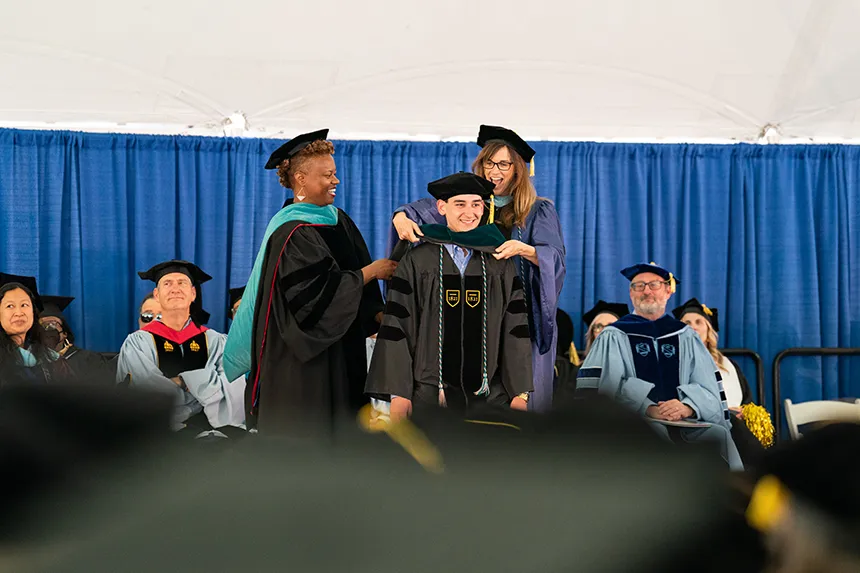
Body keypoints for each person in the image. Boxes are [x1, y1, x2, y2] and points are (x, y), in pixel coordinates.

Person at [224, 129, 395, 436]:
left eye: (335, 173)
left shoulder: (338, 219)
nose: (336, 180)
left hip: (343, 349)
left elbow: (356, 277)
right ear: (301, 178)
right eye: (327, 175)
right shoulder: (292, 230)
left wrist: (376, 313)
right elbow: (312, 298)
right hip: (303, 359)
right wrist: (371, 272)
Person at [391, 125, 565, 412]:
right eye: (489, 163)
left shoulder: (536, 210)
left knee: (518, 397)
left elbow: (555, 258)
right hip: (472, 315)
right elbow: (422, 209)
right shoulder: (472, 201)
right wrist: (400, 216)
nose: (495, 171)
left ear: (518, 169)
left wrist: (524, 249)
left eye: (504, 164)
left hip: (519, 318)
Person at [366, 172, 533, 422]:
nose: (470, 212)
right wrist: (399, 393)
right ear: (442, 207)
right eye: (460, 204)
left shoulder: (499, 262)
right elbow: (398, 327)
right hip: (429, 394)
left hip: (489, 395)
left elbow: (515, 328)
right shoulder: (418, 260)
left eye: (476, 204)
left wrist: (520, 393)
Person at [576, 262, 743, 470]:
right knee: (652, 436)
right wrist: (647, 408)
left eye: (654, 285)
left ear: (667, 291)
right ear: (631, 293)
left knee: (718, 435)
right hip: (634, 423)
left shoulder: (686, 336)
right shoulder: (614, 335)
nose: (646, 291)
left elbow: (708, 386)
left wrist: (688, 407)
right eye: (639, 286)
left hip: (686, 425)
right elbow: (603, 391)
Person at [116, 260, 245, 435]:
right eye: (167, 283)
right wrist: (204, 386)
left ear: (193, 293)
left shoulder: (217, 341)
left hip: (214, 435)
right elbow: (147, 393)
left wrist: (184, 380)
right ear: (157, 295)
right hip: (158, 435)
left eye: (182, 283)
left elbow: (232, 393)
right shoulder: (137, 343)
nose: (175, 289)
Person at [673, 297, 771, 461]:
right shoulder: (676, 362)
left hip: (735, 422)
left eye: (699, 322)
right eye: (687, 323)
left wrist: (745, 411)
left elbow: (747, 399)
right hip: (697, 422)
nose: (693, 327)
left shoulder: (728, 364)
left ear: (708, 330)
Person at [0, 275, 69, 385]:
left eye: (24, 305)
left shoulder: (52, 359)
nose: (19, 313)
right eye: (10, 306)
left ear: (33, 312)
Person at [39, 295, 115, 385]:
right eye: (41, 325)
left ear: (65, 334)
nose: (47, 329)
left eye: (52, 323)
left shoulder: (89, 360)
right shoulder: (32, 363)